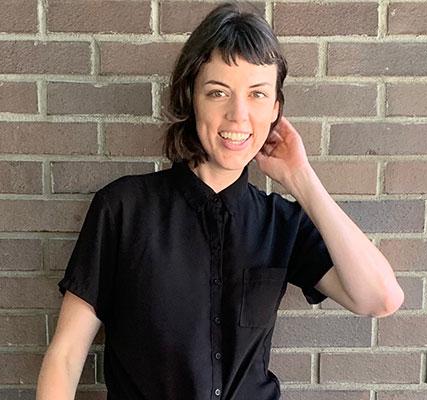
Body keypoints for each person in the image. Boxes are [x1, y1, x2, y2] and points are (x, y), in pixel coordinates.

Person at [36, 3, 403, 399]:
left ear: (276, 109)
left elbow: (380, 299)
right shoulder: (124, 209)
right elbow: (67, 355)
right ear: (190, 98)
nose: (238, 115)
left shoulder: (281, 224)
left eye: (257, 95)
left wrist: (302, 179)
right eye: (218, 92)